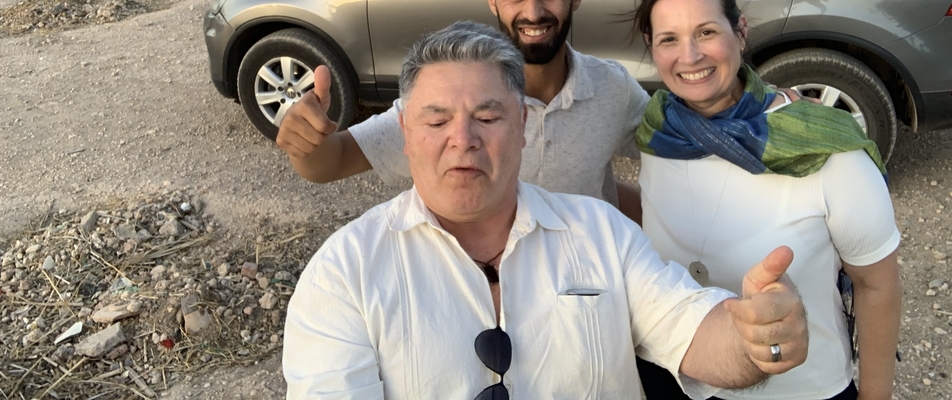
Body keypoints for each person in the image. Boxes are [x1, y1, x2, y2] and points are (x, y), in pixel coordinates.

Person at [283, 22, 809, 399]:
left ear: (523, 126)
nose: (462, 140)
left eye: (488, 117)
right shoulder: (344, 275)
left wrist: (751, 340)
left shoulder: (602, 233)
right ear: (405, 134)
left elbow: (691, 329)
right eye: (436, 120)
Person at [629, 0, 901, 400]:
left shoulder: (825, 149)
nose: (690, 56)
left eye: (706, 32)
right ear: (651, 47)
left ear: (740, 31)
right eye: (669, 40)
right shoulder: (658, 130)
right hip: (674, 375)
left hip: (800, 389)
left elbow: (877, 284)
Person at [276, 0, 649, 213]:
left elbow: (677, 155)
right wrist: (306, 144)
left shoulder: (612, 89)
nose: (533, 12)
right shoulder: (451, 97)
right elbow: (333, 161)